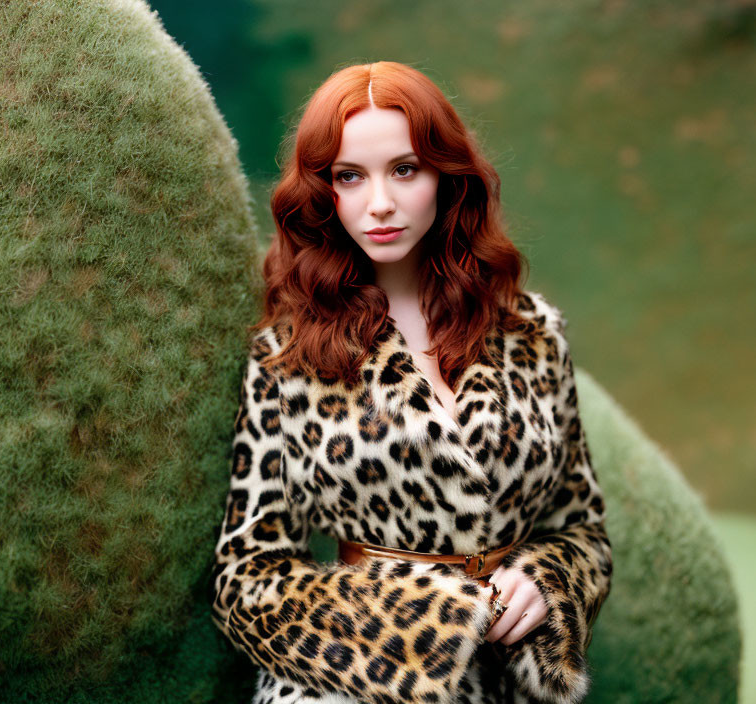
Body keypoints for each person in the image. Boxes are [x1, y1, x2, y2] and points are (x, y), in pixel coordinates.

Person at [209, 60, 612, 704]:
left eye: (405, 169)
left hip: (505, 685)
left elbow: (583, 532)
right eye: (349, 176)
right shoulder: (289, 357)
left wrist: (548, 580)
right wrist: (423, 625)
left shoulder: (533, 337)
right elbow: (246, 579)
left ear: (448, 179)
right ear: (324, 192)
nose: (380, 203)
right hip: (345, 688)